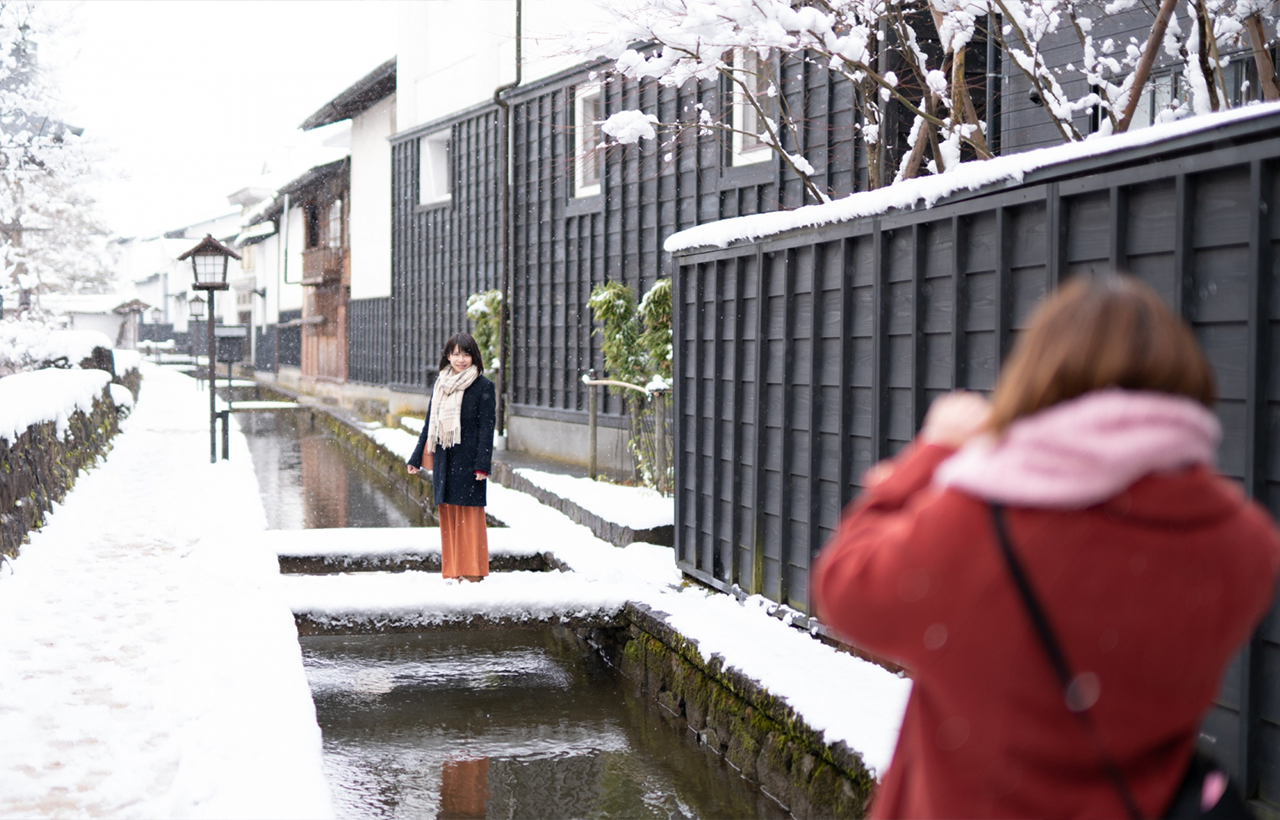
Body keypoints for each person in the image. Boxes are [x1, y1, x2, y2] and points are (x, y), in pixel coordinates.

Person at [813, 275, 1280, 818]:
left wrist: (930, 455)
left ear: (1040, 377)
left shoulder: (985, 521)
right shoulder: (1244, 545)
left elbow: (841, 587)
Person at [407, 332, 496, 583]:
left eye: (466, 354)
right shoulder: (440, 385)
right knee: (450, 517)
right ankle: (454, 571)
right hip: (446, 460)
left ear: (474, 356)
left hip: (469, 463)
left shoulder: (483, 386)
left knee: (470, 518)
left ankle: (473, 573)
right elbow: (428, 425)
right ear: (448, 356)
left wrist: (482, 465)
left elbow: (486, 430)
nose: (461, 359)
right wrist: (416, 458)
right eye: (455, 354)